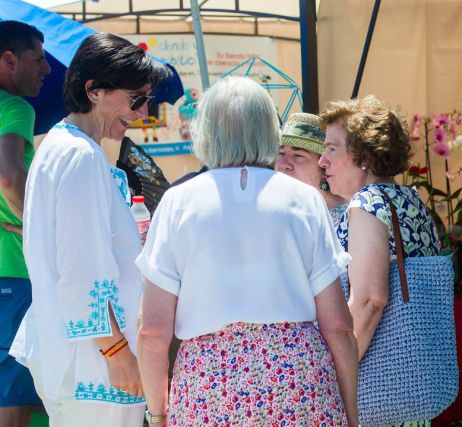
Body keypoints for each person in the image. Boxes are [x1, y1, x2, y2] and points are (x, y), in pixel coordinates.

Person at [135, 76, 359, 427]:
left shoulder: (178, 203)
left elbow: (152, 331)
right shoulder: (304, 200)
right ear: (271, 131)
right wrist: (351, 415)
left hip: (207, 386)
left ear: (205, 132)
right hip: (297, 380)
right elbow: (339, 326)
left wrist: (157, 412)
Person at [9, 33, 168, 427]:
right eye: (136, 99)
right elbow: (81, 272)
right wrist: (118, 355)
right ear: (94, 91)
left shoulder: (66, 148)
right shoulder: (78, 156)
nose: (143, 111)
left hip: (84, 358)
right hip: (92, 365)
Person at [318, 95, 441, 427]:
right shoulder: (410, 200)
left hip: (377, 391)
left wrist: (335, 376)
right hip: (413, 381)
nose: (321, 161)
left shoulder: (368, 203)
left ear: (365, 157)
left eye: (331, 149)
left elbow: (370, 299)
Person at [0, 21, 50, 427]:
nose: (47, 69)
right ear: (8, 60)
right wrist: (35, 229)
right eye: (38, 59)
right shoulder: (13, 107)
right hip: (13, 274)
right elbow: (7, 175)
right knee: (13, 395)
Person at [275, 112, 347, 226]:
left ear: (323, 165)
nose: (284, 164)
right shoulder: (275, 209)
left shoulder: (351, 217)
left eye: (298, 155)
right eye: (281, 153)